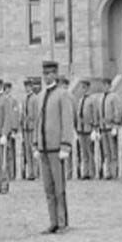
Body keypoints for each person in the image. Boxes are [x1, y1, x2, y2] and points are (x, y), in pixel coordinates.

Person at [35, 71, 76, 233]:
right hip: (44, 148)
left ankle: (62, 222)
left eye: (50, 74)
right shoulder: (41, 95)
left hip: (56, 148)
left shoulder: (62, 95)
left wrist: (66, 145)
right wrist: (35, 144)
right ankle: (52, 221)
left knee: (59, 188)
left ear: (55, 75)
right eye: (44, 74)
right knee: (48, 188)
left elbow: (67, 121)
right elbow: (38, 121)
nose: (47, 77)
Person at [75, 80, 102, 180]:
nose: (82, 89)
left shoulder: (92, 100)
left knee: (90, 152)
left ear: (87, 88)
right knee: (83, 152)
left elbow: (95, 113)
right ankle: (85, 172)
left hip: (89, 128)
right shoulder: (81, 100)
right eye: (82, 87)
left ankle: (92, 172)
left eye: (84, 87)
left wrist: (95, 127)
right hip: (81, 129)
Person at [99, 78, 122, 180]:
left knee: (113, 151)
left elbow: (117, 111)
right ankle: (108, 172)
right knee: (106, 152)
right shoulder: (101, 98)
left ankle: (114, 172)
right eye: (103, 85)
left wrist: (115, 125)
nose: (104, 87)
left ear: (110, 86)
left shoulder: (114, 97)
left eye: (106, 85)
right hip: (103, 127)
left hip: (111, 127)